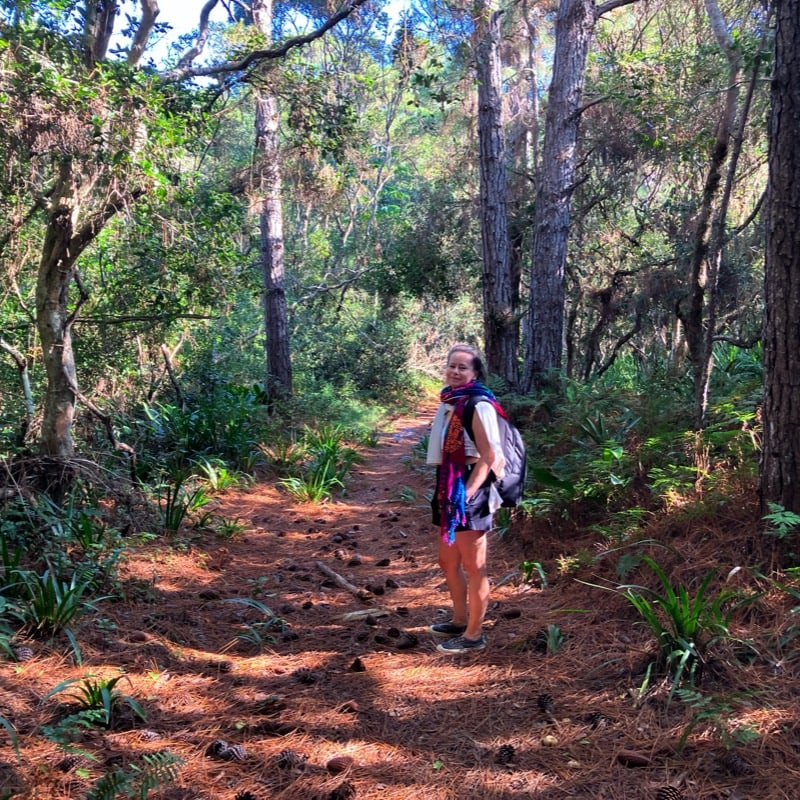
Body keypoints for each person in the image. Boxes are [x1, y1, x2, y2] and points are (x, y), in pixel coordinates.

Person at [426, 344, 507, 654]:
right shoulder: (450, 400)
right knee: (447, 561)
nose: (455, 371)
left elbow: (489, 456)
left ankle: (474, 636)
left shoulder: (478, 404)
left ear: (475, 373)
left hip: (470, 488)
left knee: (475, 566)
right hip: (449, 484)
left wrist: (467, 495)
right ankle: (460, 619)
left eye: (463, 367)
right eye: (452, 366)